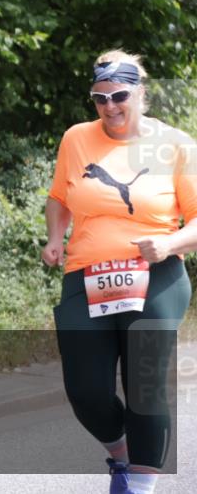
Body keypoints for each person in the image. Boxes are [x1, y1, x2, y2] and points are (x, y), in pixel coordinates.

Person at [42, 50, 197, 494]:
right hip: (86, 276)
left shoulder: (176, 144)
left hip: (156, 277)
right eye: (99, 98)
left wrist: (168, 243)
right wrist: (56, 237)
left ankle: (140, 488)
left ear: (140, 93)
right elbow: (60, 197)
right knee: (85, 391)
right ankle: (122, 457)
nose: (110, 107)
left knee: (144, 388)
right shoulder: (76, 139)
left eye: (119, 96)